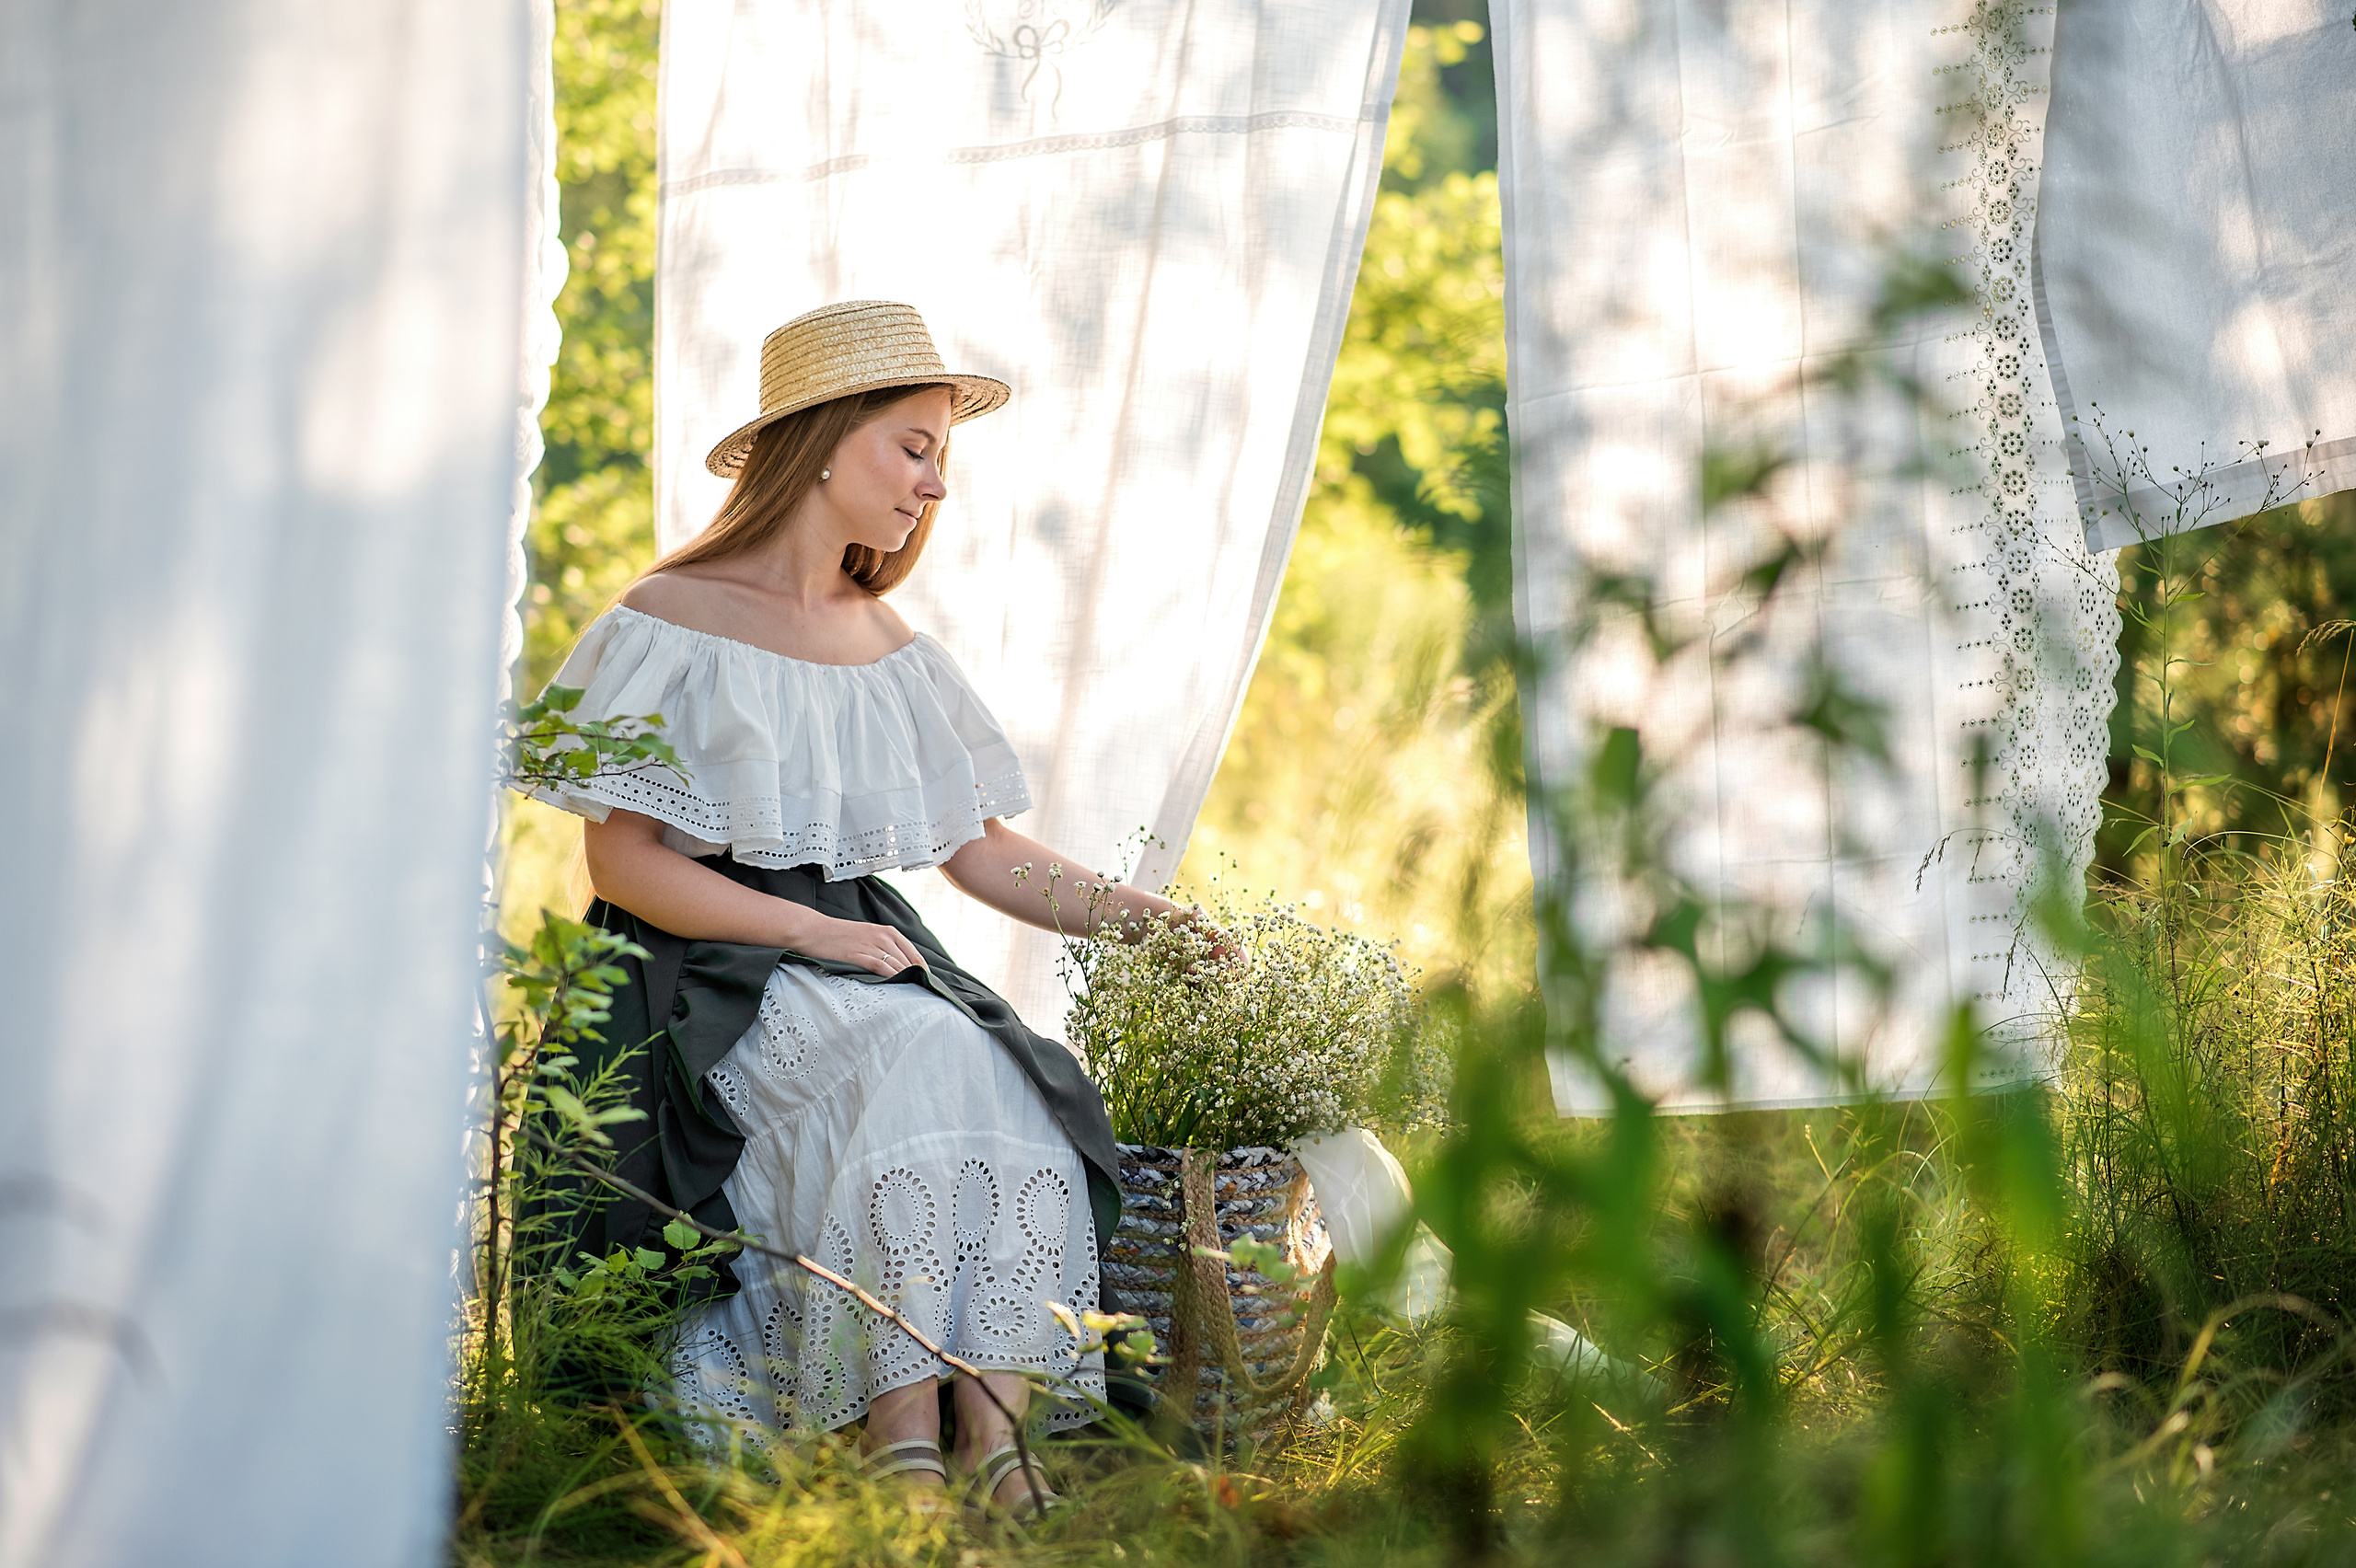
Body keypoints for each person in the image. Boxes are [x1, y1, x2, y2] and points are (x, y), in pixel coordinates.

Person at [521, 300, 1200, 1514]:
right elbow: (622, 866)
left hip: (860, 959)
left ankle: (993, 1440)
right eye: (915, 446)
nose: (935, 485)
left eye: (943, 455)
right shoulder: (669, 620)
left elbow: (980, 855)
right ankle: (902, 1444)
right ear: (825, 441)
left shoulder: (889, 647)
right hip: (703, 972)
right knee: (924, 1049)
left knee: (1007, 1072)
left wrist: (1143, 917)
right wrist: (815, 932)